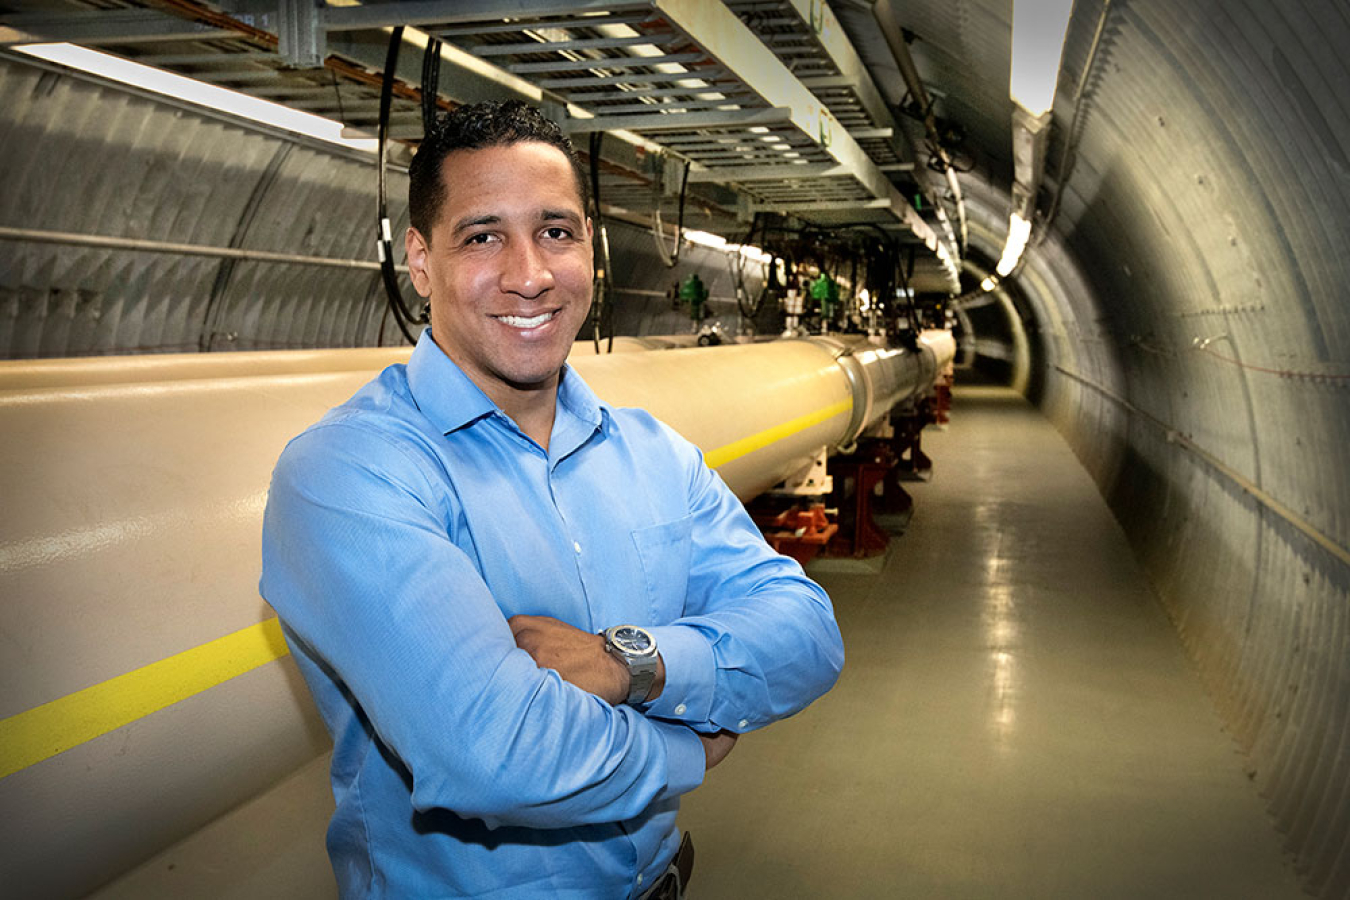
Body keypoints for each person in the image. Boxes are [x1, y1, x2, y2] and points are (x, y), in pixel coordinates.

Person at [260, 100, 844, 899]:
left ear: (591, 254)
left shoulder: (653, 453)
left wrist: (628, 663)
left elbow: (808, 634)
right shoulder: (351, 473)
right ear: (421, 261)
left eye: (556, 232)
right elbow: (497, 754)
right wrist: (688, 749)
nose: (529, 274)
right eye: (483, 235)